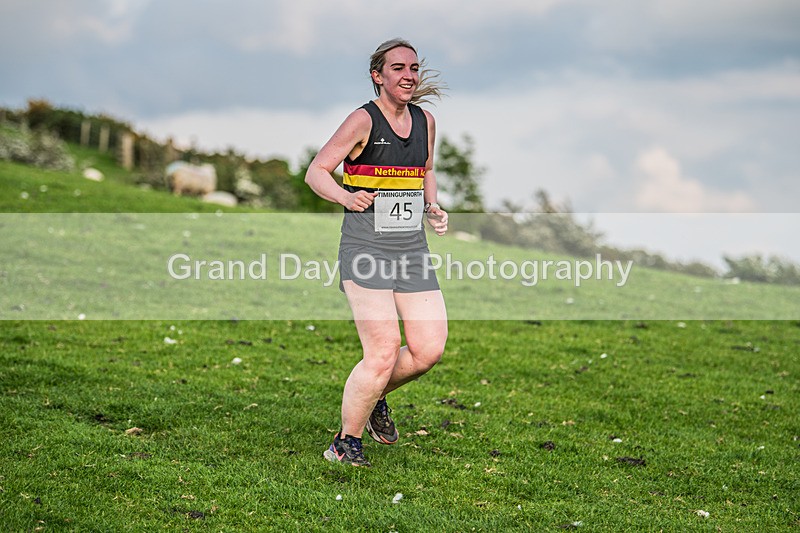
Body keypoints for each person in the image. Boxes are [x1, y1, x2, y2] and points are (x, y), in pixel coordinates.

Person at [305, 38, 449, 467]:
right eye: (398, 68)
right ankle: (344, 443)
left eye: (414, 68)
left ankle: (374, 396)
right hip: (365, 249)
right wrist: (347, 198)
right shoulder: (361, 120)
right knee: (383, 351)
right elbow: (317, 171)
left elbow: (424, 171)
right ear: (378, 75)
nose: (408, 75)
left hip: (411, 250)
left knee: (428, 350)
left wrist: (432, 207)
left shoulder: (426, 122)